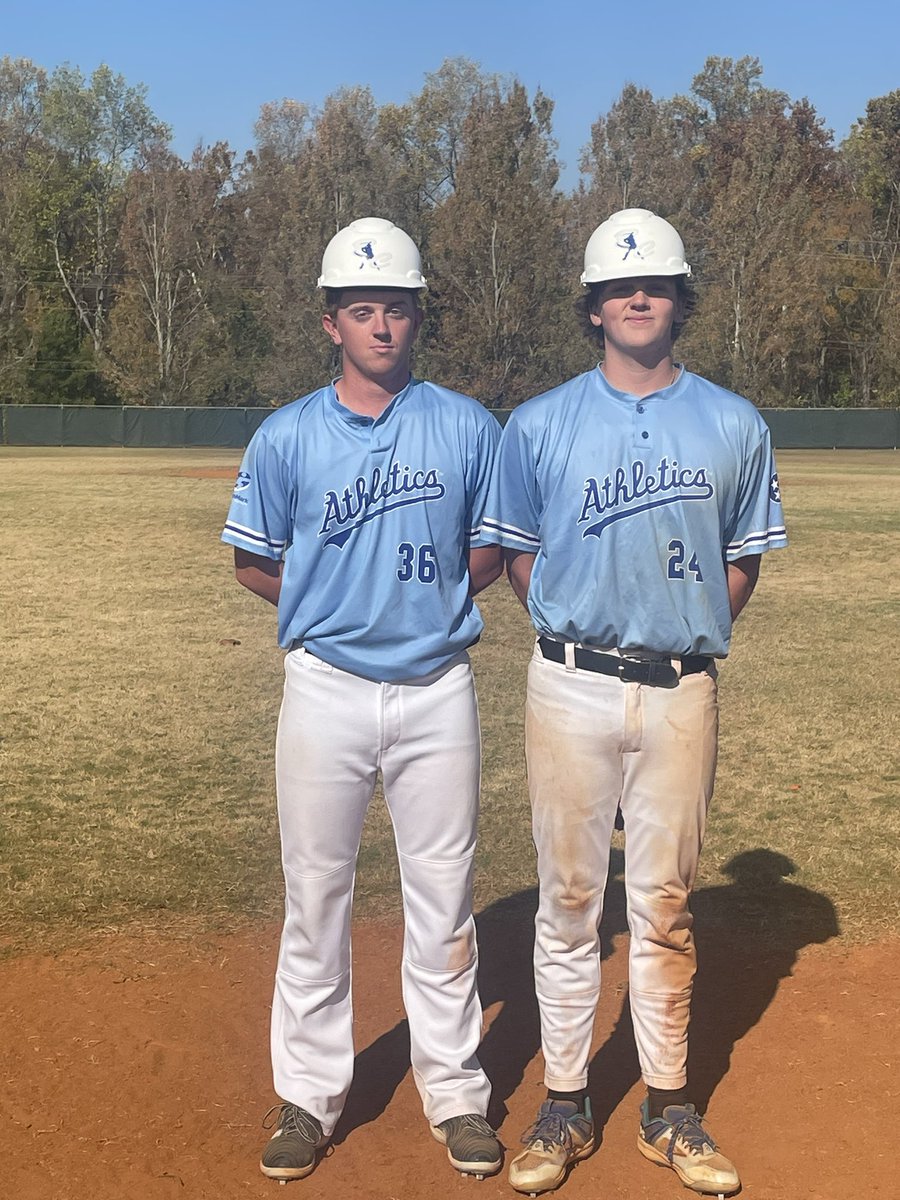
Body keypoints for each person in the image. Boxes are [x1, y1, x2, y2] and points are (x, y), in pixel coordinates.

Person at [482, 208, 787, 1196]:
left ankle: (667, 1109)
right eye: (620, 285)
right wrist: (575, 627)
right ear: (595, 304)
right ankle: (566, 1105)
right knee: (570, 903)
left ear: (680, 297)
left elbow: (740, 561)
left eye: (654, 281)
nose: (638, 295)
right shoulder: (540, 421)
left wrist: (680, 631)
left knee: (663, 905)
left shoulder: (735, 422)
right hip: (566, 684)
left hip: (681, 693)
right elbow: (518, 556)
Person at [221, 217, 504, 1183]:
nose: (381, 326)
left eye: (396, 308)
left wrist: (427, 603)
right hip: (326, 690)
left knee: (444, 902)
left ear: (417, 317)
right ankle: (308, 1095)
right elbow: (253, 559)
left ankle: (457, 1090)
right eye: (361, 310)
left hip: (437, 692)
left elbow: (494, 548)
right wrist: (329, 605)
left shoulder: (467, 425)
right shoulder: (287, 434)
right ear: (331, 322)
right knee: (316, 901)